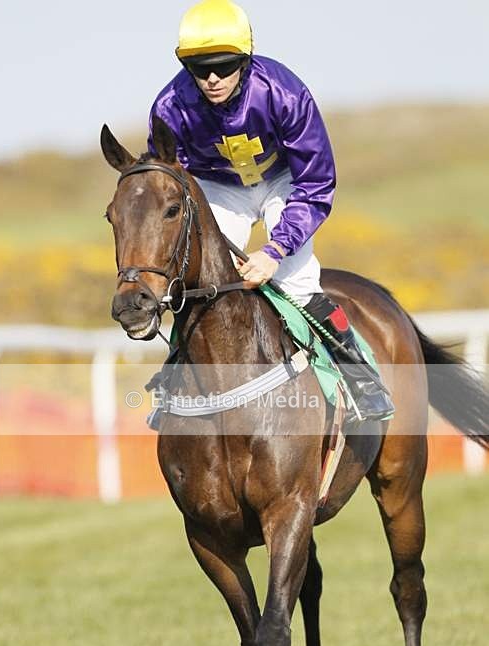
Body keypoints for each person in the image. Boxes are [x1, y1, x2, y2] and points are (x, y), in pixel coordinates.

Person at [147, 0, 394, 421]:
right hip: (219, 187)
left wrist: (275, 250)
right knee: (199, 276)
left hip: (284, 180)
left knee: (296, 280)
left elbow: (316, 183)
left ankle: (361, 378)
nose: (212, 79)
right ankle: (174, 379)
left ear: (246, 58)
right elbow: (169, 181)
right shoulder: (170, 108)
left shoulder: (285, 94)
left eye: (224, 66)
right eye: (199, 68)